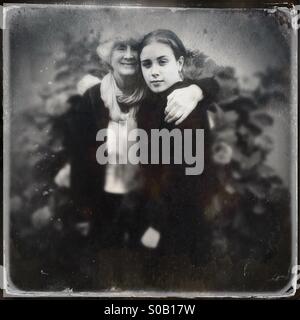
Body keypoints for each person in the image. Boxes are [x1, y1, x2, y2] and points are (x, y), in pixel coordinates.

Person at [62, 33, 211, 289]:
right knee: (110, 274)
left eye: (135, 49)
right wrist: (82, 208)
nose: (129, 55)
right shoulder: (95, 96)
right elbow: (81, 158)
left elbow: (182, 177)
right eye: (122, 47)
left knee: (158, 283)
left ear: (179, 63)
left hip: (156, 213)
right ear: (109, 56)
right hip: (109, 204)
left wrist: (198, 90)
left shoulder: (166, 99)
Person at [137, 29, 218, 287]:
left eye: (162, 61)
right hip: (158, 211)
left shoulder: (180, 101)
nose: (154, 71)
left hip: (179, 220)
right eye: (146, 64)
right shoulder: (152, 103)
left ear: (179, 63)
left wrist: (156, 226)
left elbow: (185, 176)